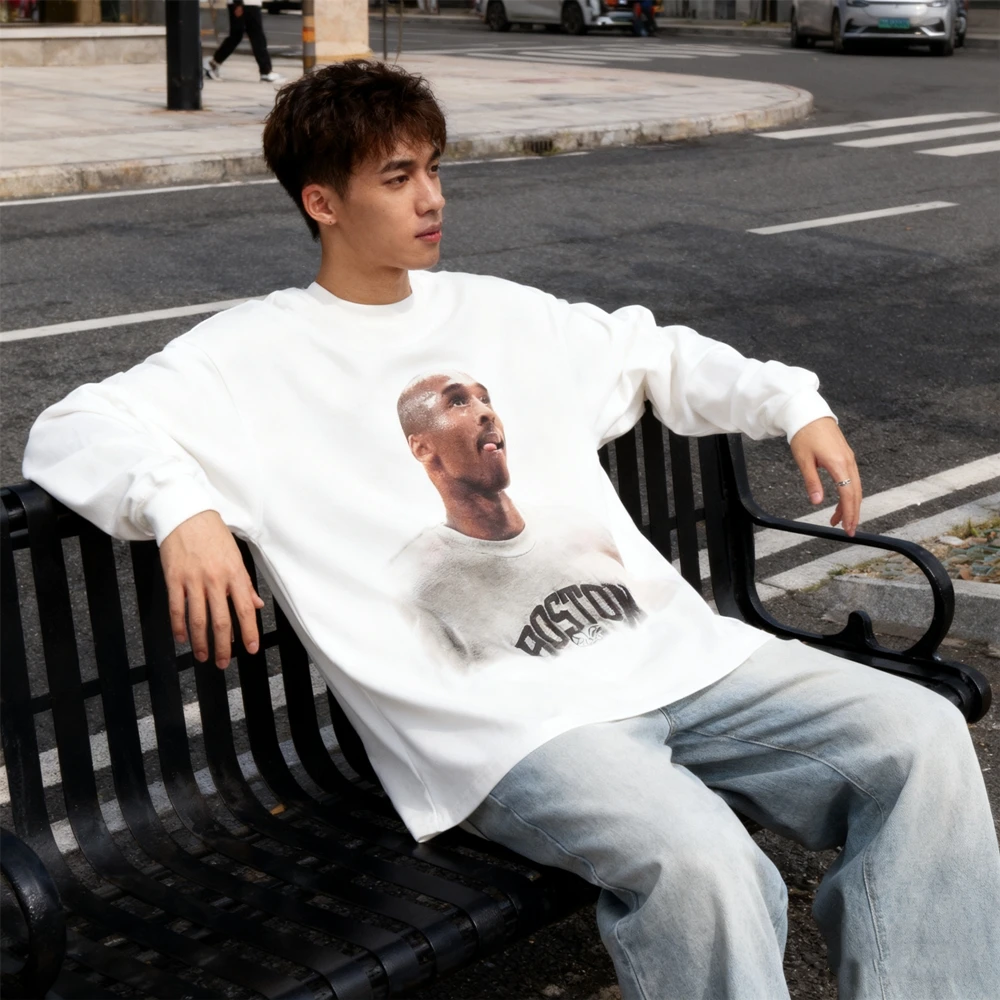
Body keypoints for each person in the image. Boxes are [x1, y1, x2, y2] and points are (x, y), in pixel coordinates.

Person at [22, 61, 1000, 1000]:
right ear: (322, 202)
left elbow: (653, 353)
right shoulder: (250, 355)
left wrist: (791, 404)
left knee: (920, 738)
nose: (431, 197)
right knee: (706, 864)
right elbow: (73, 425)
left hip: (678, 660)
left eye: (433, 168)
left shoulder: (503, 314)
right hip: (509, 730)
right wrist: (180, 508)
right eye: (397, 177)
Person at [392, 371, 658, 665]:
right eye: (457, 402)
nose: (486, 413)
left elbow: (652, 615)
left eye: (484, 399)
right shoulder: (421, 591)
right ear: (422, 447)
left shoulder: (578, 528)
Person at [204, 0, 285, 84]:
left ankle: (213, 64)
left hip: (246, 4)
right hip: (246, 4)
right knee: (255, 36)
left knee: (239, 36)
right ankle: (265, 72)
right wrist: (238, 4)